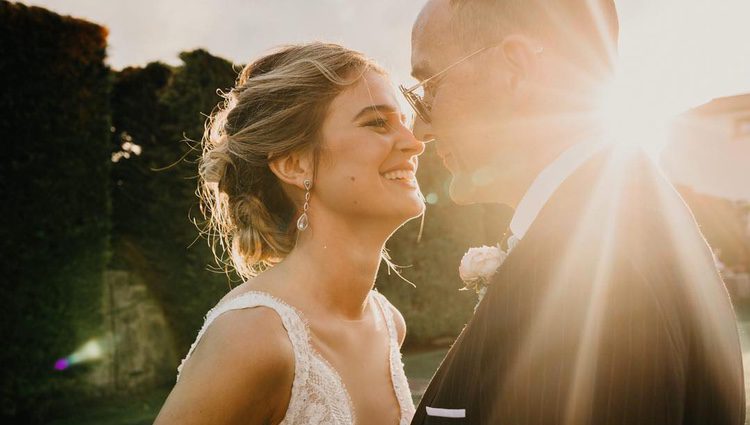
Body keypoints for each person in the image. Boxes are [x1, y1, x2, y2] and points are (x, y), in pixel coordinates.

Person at [405, 0, 745, 423]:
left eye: (429, 87)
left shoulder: (594, 273)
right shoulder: (620, 221)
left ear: (516, 69)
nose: (420, 129)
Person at [154, 42, 423, 425]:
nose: (414, 144)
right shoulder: (251, 337)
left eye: (404, 122)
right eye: (377, 123)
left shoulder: (388, 322)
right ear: (295, 165)